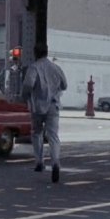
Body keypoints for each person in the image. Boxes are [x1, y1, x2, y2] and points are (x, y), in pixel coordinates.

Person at [21, 42, 68, 183]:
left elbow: (28, 84)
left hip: (37, 105)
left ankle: (39, 162)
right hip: (53, 105)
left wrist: (25, 96)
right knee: (53, 136)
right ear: (47, 52)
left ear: (35, 53)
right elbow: (64, 84)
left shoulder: (34, 67)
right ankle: (55, 163)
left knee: (37, 133)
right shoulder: (55, 67)